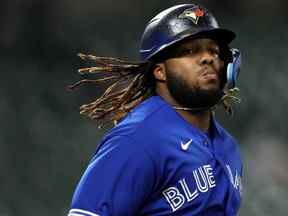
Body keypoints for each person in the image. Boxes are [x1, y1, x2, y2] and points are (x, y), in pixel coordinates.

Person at [67, 3, 243, 216]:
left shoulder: (228, 147)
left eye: (214, 50)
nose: (208, 58)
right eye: (189, 51)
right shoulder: (137, 139)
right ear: (160, 71)